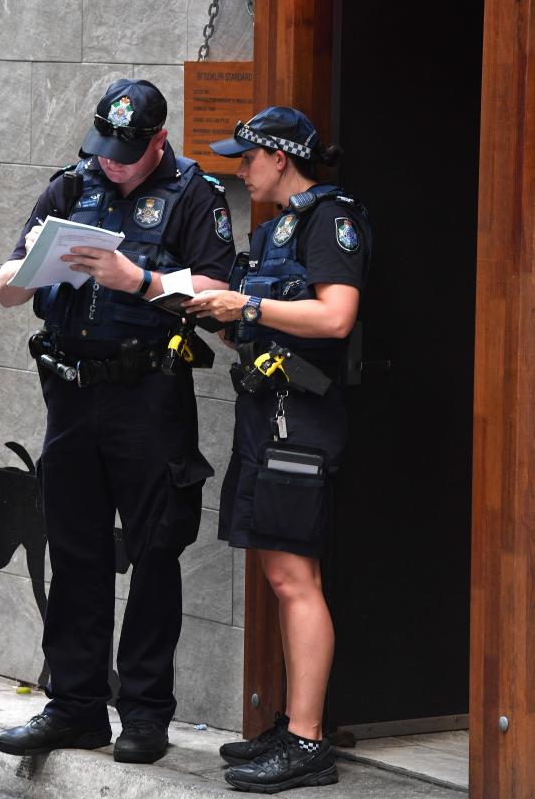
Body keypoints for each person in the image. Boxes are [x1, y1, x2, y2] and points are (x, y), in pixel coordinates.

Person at [0, 79, 234, 763]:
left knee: (156, 551)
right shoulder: (70, 188)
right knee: (75, 552)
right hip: (70, 394)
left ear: (159, 140)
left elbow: (219, 292)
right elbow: (5, 287)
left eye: (128, 153)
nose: (113, 164)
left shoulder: (195, 195)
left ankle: (146, 714)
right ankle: (74, 707)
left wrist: (142, 282)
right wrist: (37, 271)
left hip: (149, 397)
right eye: (106, 150)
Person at [185, 106, 371, 793]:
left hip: (303, 420)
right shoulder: (272, 232)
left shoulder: (332, 221)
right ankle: (294, 722)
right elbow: (257, 324)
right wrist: (214, 309)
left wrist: (249, 308)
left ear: (281, 156)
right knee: (278, 578)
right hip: (264, 416)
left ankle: (307, 742)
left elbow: (335, 315)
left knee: (297, 581)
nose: (241, 169)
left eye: (247, 157)